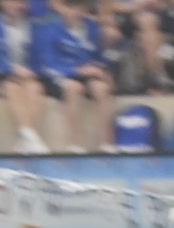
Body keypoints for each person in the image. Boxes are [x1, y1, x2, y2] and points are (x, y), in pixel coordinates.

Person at [39, 0, 117, 150]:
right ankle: (74, 143)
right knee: (74, 88)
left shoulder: (92, 27)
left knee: (101, 88)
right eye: (71, 8)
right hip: (59, 76)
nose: (75, 13)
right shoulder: (51, 29)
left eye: (80, 9)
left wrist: (105, 71)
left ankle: (107, 143)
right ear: (63, 9)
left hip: (87, 74)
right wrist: (76, 70)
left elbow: (99, 56)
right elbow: (48, 64)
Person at [0, 0, 52, 150]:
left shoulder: (31, 26)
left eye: (18, 2)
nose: (14, 5)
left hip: (26, 76)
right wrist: (11, 69)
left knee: (35, 88)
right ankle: (31, 137)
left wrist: (31, 71)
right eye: (10, 2)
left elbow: (39, 57)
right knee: (11, 87)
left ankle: (26, 139)